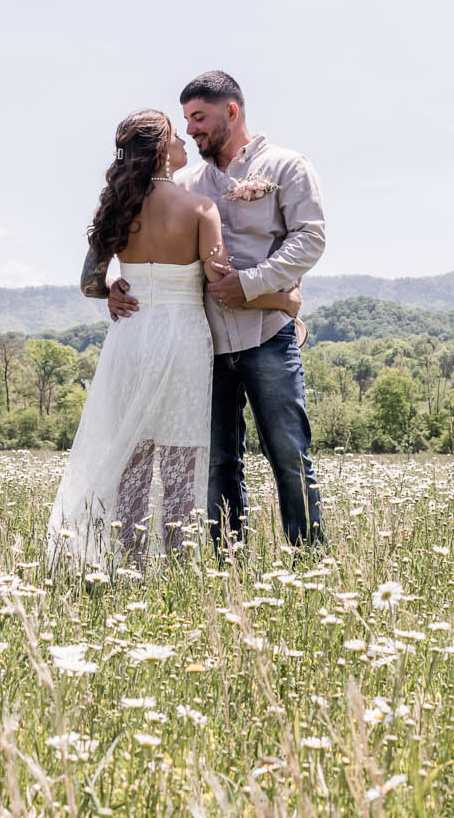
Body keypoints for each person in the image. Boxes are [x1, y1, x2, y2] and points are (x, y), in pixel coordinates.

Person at [49, 109, 301, 568]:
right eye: (176, 135)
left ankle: (129, 565)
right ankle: (180, 567)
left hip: (132, 336)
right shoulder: (200, 209)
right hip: (183, 340)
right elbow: (223, 289)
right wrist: (283, 303)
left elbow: (89, 283)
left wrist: (113, 291)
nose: (186, 141)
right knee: (185, 455)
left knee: (135, 457)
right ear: (163, 148)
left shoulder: (114, 209)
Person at [98, 72, 326, 548]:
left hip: (266, 335)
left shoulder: (286, 165)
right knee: (219, 460)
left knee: (288, 452)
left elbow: (310, 239)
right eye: (185, 121)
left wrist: (252, 285)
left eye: (199, 118)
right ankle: (228, 563)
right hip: (201, 342)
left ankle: (310, 561)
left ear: (232, 112)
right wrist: (114, 286)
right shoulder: (186, 182)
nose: (192, 129)